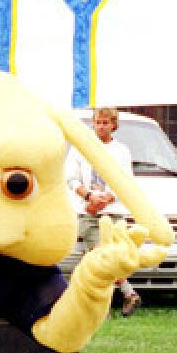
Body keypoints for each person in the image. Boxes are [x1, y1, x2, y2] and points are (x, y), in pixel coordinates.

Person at [66, 106, 143, 315]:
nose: (101, 127)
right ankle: (126, 294)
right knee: (99, 256)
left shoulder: (121, 151)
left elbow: (124, 180)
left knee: (111, 257)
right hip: (88, 211)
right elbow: (71, 178)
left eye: (106, 123)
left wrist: (107, 198)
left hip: (113, 210)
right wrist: (89, 196)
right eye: (98, 122)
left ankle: (112, 300)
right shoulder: (81, 148)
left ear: (113, 125)